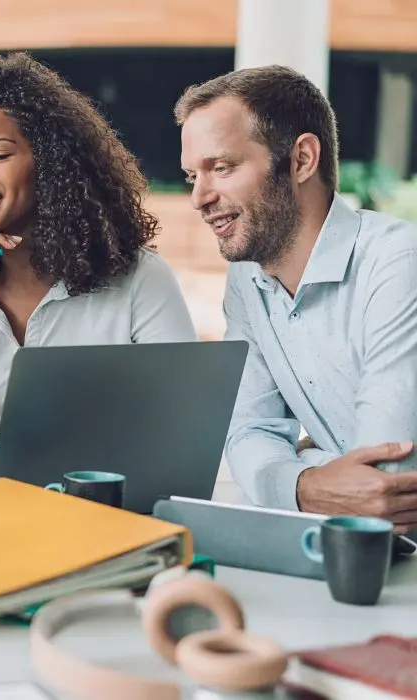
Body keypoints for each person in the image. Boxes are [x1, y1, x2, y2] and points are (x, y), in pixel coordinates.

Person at [0, 53, 197, 479]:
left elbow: (182, 432)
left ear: (52, 164)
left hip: (113, 515)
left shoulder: (138, 279)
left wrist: (33, 462)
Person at [177, 65, 417, 525]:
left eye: (221, 168)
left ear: (302, 159)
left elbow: (386, 482)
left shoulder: (396, 263)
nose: (199, 197)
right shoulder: (248, 281)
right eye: (192, 176)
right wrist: (306, 482)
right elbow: (247, 432)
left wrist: (291, 466)